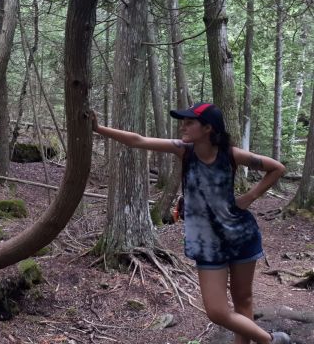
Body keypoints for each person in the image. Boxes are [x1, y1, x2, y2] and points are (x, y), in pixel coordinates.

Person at [91, 102, 291, 344]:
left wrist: (249, 197)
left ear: (207, 127)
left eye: (189, 123)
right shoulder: (184, 150)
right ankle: (270, 340)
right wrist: (99, 128)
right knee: (217, 311)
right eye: (182, 122)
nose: (182, 127)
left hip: (241, 235)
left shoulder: (231, 154)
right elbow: (138, 140)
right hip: (206, 243)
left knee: (243, 300)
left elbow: (277, 168)